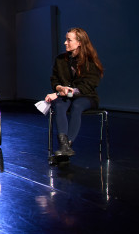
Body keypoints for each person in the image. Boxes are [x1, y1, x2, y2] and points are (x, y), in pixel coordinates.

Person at [44, 27, 104, 157]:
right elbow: (54, 80)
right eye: (66, 39)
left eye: (69, 40)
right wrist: (60, 88)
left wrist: (65, 92)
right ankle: (64, 146)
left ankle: (67, 145)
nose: (65, 42)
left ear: (79, 43)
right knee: (59, 105)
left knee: (77, 106)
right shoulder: (60, 60)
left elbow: (88, 85)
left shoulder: (90, 62)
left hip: (86, 97)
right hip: (66, 96)